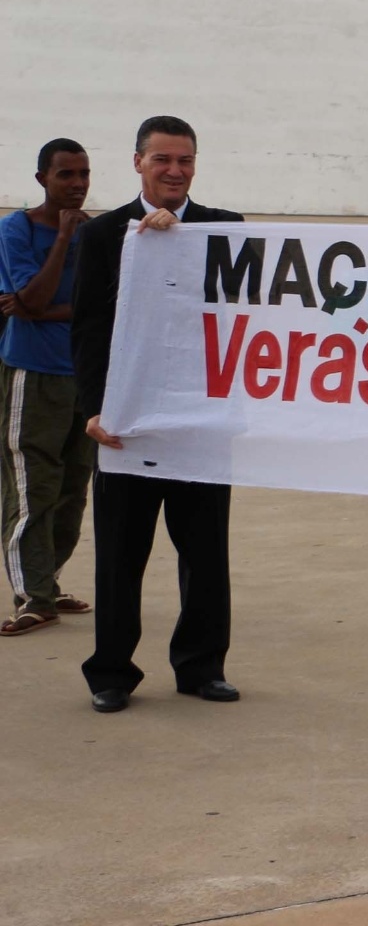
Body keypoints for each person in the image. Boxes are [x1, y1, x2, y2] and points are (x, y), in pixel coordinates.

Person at [71, 116, 246, 713]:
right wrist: (94, 408)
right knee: (120, 554)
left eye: (185, 160)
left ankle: (201, 667)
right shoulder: (102, 237)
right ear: (138, 162)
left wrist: (181, 237)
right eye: (162, 160)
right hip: (128, 422)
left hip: (200, 420)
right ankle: (111, 673)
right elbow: (90, 327)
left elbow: (243, 320)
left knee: (205, 552)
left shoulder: (225, 230)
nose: (175, 171)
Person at [0, 139, 95, 636]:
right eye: (65, 175)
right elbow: (31, 300)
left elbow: (105, 306)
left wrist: (46, 310)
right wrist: (62, 240)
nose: (77, 184)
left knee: (73, 488)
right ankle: (31, 596)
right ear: (43, 179)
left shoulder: (100, 232)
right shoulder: (15, 229)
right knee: (31, 486)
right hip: (31, 374)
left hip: (85, 375)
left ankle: (48, 580)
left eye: (83, 174)